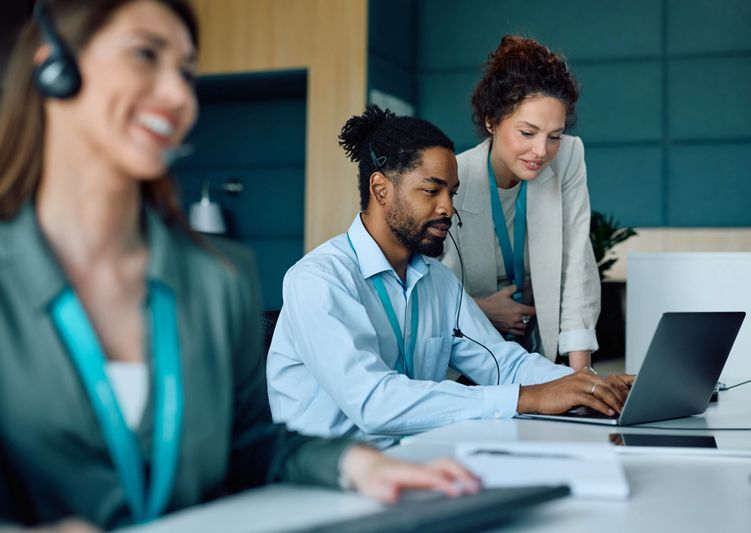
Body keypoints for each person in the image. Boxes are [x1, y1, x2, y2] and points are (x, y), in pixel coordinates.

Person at [0, 1, 479, 530]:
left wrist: (353, 464)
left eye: (186, 72)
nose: (180, 95)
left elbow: (250, 443)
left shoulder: (218, 278)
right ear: (54, 68)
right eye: (144, 54)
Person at [267, 105, 633, 446]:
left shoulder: (438, 283)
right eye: (431, 190)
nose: (447, 208)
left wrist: (592, 387)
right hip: (327, 482)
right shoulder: (318, 280)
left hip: (417, 464)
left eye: (452, 193)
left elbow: (502, 363)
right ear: (380, 189)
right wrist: (527, 397)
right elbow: (373, 402)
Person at [440, 35, 600, 370]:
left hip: (537, 349)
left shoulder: (568, 157)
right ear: (491, 121)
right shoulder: (455, 176)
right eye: (527, 133)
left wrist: (581, 374)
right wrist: (481, 309)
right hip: (468, 350)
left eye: (553, 136)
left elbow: (576, 263)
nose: (542, 151)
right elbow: (426, 286)